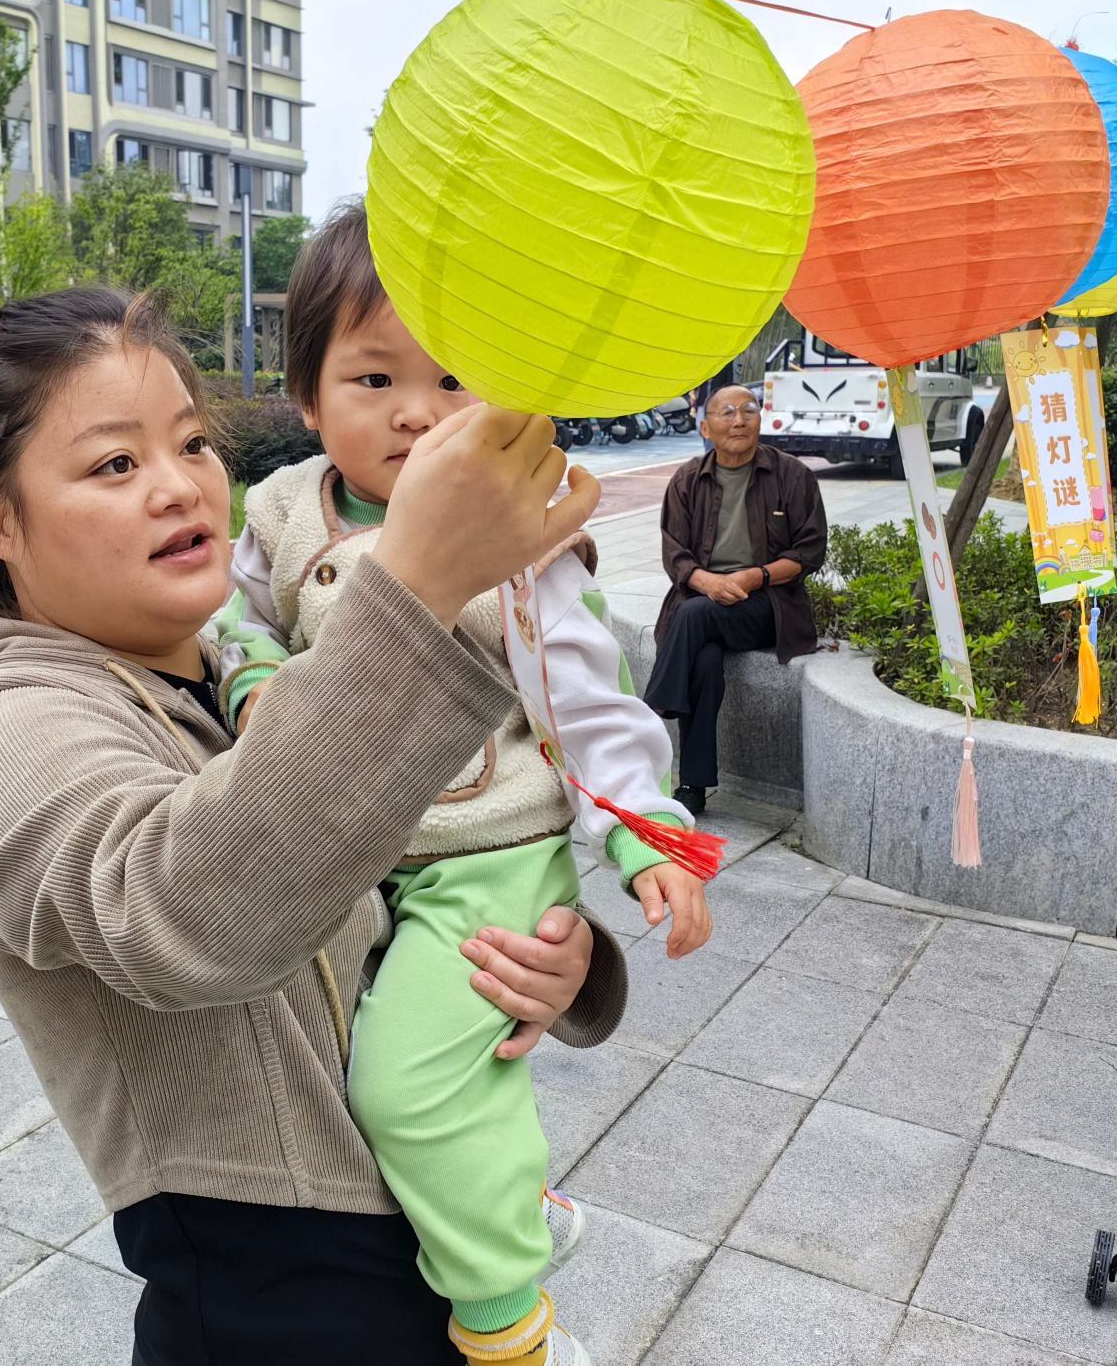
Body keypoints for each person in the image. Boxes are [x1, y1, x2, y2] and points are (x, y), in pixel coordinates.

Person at [0, 285, 627, 1366]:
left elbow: (392, 873)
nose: (178, 487)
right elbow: (188, 913)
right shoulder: (15, 731)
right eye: (114, 465)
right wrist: (416, 583)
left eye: (193, 443)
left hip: (433, 1255)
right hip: (275, 1304)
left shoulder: (246, 669)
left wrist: (553, 958)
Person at [215, 202, 713, 1366]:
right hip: (340, 864)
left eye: (453, 378)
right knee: (365, 1083)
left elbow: (590, 699)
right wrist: (250, 684)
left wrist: (651, 841)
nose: (418, 412)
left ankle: (508, 1327)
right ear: (303, 399)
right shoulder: (282, 513)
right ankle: (512, 1202)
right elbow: (234, 625)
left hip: (480, 859)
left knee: (402, 1092)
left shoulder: (522, 533)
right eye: (372, 377)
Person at [646, 383, 827, 814]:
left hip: (767, 605)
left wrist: (755, 576)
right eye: (726, 413)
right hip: (704, 601)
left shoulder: (791, 476)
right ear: (706, 427)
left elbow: (809, 552)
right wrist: (708, 582)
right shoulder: (688, 479)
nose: (739, 420)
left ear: (760, 421)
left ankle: (649, 713)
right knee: (704, 660)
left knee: (691, 618)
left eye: (748, 410)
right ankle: (692, 787)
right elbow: (675, 553)